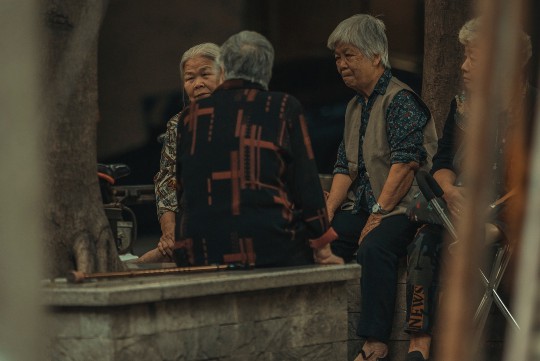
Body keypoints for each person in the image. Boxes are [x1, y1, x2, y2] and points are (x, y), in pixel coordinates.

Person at [404, 18, 533, 361]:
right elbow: (443, 158)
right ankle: (419, 344)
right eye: (465, 56)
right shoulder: (463, 103)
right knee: (424, 241)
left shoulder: (531, 108)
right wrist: (447, 189)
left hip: (514, 212)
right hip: (461, 206)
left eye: (473, 57)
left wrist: (498, 224)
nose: (464, 66)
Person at [314, 14, 438, 361]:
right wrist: (326, 213)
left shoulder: (400, 101)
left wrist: (378, 215)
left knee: (375, 247)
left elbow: (404, 168)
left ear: (375, 56)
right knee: (320, 241)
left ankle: (375, 343)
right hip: (366, 205)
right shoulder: (356, 106)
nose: (341, 64)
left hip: (406, 208)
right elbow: (345, 167)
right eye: (337, 57)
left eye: (348, 55)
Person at [174, 31, 335, 267]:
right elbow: (306, 184)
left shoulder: (190, 116)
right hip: (267, 246)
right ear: (267, 71)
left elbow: (182, 188)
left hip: (198, 249)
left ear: (224, 69)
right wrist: (323, 246)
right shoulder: (282, 106)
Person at [144, 43, 223, 263]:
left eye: (205, 74)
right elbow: (167, 178)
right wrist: (169, 232)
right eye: (190, 78)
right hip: (191, 226)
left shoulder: (238, 119)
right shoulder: (178, 124)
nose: (198, 84)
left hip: (231, 224)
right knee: (144, 264)